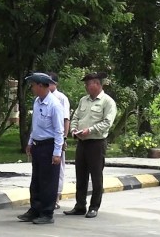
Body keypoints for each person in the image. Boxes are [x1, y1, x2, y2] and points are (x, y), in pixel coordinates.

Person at [63, 72, 117, 219]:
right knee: (81, 175)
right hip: (82, 142)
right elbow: (76, 117)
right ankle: (80, 205)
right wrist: (74, 129)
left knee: (96, 176)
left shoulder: (108, 102)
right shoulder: (83, 100)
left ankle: (94, 207)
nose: (86, 87)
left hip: (96, 143)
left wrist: (90, 130)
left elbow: (107, 123)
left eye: (88, 84)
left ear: (97, 84)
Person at [17, 72, 64, 225]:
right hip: (38, 145)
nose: (31, 88)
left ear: (40, 86)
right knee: (36, 180)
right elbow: (35, 125)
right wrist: (30, 142)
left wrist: (57, 153)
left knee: (48, 182)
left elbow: (59, 131)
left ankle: (47, 213)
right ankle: (35, 209)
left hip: (49, 146)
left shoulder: (54, 105)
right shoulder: (37, 101)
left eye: (33, 85)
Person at [47, 71, 70, 209]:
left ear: (55, 84)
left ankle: (56, 197)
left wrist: (64, 138)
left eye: (49, 82)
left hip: (58, 138)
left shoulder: (61, 98)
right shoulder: (41, 98)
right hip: (45, 139)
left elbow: (66, 119)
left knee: (58, 168)